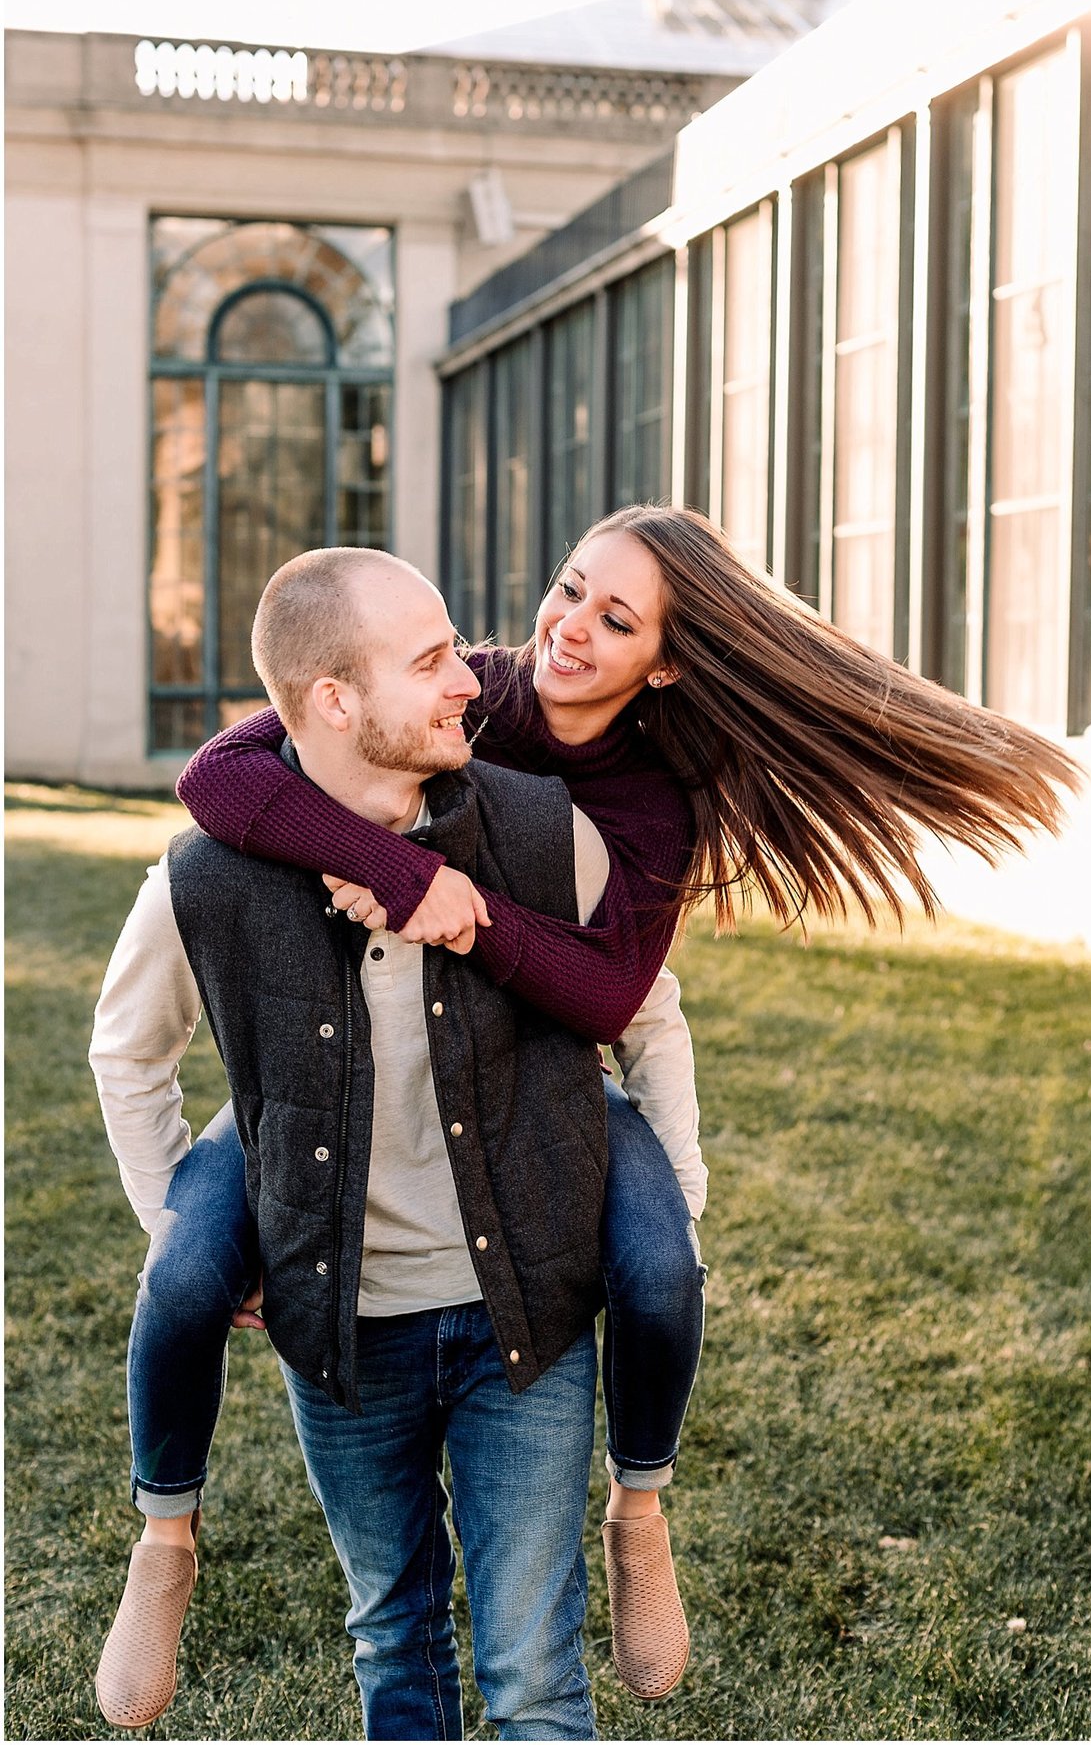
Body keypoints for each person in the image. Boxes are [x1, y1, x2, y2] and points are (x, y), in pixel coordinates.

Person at [96, 507, 1080, 1725]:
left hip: (544, 1112)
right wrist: (406, 871)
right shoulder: (482, 693)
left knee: (663, 1262)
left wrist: (467, 914)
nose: (560, 631)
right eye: (570, 589)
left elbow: (625, 998)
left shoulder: (634, 804)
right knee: (187, 1267)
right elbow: (224, 774)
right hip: (333, 1188)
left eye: (615, 620)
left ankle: (642, 1504)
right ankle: (164, 1533)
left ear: (664, 661)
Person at [92, 550, 684, 1737]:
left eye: (459, 647)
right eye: (430, 663)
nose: (471, 677)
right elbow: (128, 1054)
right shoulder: (202, 877)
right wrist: (191, 1219)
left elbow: (649, 1017)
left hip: (527, 1316)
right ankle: (166, 1529)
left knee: (533, 1674)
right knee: (392, 1646)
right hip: (343, 1332)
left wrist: (669, 1193)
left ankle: (643, 1508)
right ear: (331, 700)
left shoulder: (542, 827)